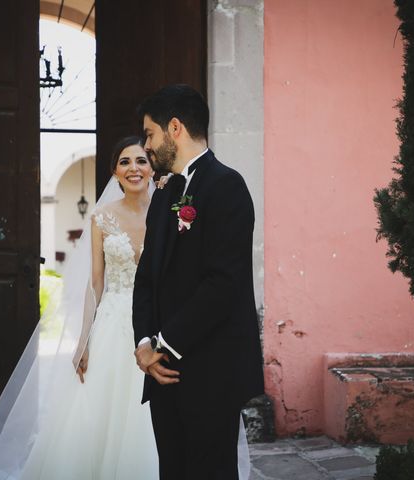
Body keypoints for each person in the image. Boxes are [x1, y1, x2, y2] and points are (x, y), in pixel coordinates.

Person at [0, 136, 159, 480]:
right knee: (103, 409)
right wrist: (83, 340)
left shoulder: (167, 215)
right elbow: (95, 283)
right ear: (115, 173)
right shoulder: (101, 218)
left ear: (152, 168)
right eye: (125, 162)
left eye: (141, 161)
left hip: (155, 324)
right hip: (114, 322)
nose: (134, 168)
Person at [133, 84, 265, 480]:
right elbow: (146, 277)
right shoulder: (164, 193)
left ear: (175, 128)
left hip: (211, 371)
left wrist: (163, 343)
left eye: (150, 134)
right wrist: (143, 343)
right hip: (163, 372)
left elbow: (222, 284)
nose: (147, 146)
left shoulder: (227, 186)